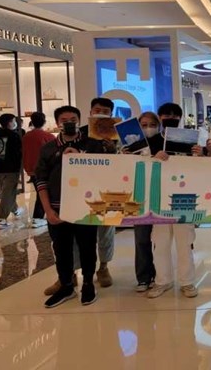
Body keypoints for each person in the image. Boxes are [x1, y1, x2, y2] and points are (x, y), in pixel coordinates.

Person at [36, 106, 114, 308]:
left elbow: (103, 173)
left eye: (73, 119)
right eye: (64, 120)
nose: (69, 123)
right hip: (57, 208)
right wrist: (48, 210)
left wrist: (80, 157)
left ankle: (88, 283)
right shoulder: (48, 149)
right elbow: (41, 181)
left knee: (88, 246)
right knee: (61, 249)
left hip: (85, 207)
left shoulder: (93, 145)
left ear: (80, 121)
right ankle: (66, 285)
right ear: (57, 123)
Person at [147, 102, 199, 299]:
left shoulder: (189, 140)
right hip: (158, 196)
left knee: (185, 241)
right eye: (166, 115)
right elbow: (139, 163)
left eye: (175, 115)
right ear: (160, 117)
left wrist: (199, 155)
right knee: (160, 242)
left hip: (184, 196)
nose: (171, 118)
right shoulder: (151, 141)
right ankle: (163, 280)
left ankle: (187, 281)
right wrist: (153, 157)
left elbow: (197, 168)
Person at [81, 97, 117, 288]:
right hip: (82, 189)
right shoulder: (80, 133)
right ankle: (73, 271)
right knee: (80, 231)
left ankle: (103, 267)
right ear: (90, 111)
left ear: (111, 114)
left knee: (106, 230)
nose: (100, 114)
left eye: (105, 111)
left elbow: (128, 159)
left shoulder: (117, 134)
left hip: (109, 189)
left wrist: (114, 150)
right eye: (97, 110)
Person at [132, 111, 160, 292]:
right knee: (141, 239)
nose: (148, 128)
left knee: (160, 241)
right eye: (143, 125)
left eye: (152, 124)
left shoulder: (164, 143)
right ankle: (143, 277)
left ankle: (160, 276)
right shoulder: (132, 146)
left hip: (160, 197)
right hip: (140, 197)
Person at [0, 113, 24, 229]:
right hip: (11, 168)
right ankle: (2, 219)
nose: (15, 123)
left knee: (5, 191)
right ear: (9, 123)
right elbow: (19, 152)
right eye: (14, 121)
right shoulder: (13, 136)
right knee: (7, 192)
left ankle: (15, 209)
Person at [22, 112, 55, 228]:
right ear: (44, 122)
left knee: (40, 192)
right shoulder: (49, 136)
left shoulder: (26, 137)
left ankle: (39, 216)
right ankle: (38, 217)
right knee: (43, 193)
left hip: (31, 169)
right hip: (45, 170)